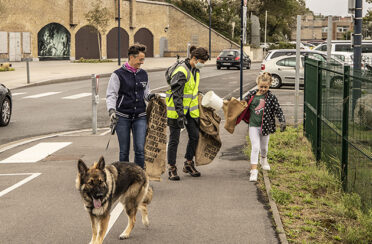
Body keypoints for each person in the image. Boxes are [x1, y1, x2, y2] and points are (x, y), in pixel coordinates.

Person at [106, 43, 156, 169]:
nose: (142, 62)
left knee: (140, 149)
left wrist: (151, 97)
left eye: (143, 59)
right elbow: (111, 95)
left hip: (140, 116)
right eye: (140, 59)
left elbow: (146, 92)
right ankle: (124, 178)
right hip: (122, 117)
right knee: (124, 151)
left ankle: (140, 178)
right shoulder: (117, 75)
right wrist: (112, 111)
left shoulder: (143, 74)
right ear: (132, 58)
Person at [165, 46, 209, 181]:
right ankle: (172, 168)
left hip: (191, 110)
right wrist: (180, 115)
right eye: (201, 61)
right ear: (194, 59)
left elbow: (191, 90)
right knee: (174, 140)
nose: (202, 65)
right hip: (177, 111)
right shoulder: (181, 71)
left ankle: (188, 163)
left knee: (195, 136)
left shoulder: (195, 70)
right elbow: (177, 95)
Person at [244, 72, 286, 182]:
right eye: (261, 86)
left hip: (266, 126)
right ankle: (254, 171)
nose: (263, 89)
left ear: (269, 85)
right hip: (253, 126)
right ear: (257, 84)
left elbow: (278, 110)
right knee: (255, 147)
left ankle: (264, 160)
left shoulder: (271, 97)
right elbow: (241, 106)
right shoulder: (250, 95)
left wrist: (282, 121)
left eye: (265, 87)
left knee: (264, 147)